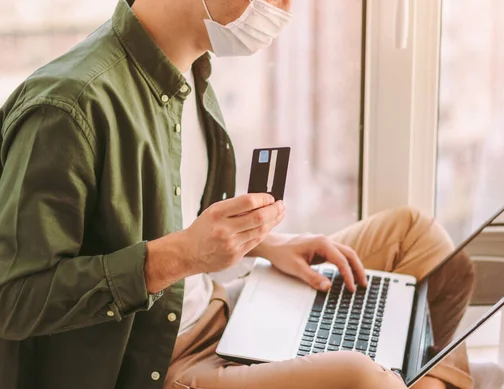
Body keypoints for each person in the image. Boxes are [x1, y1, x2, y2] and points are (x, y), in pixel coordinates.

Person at [0, 0, 474, 388]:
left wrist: (269, 246)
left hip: (219, 309)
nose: (286, 9)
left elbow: (174, 209)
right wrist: (178, 258)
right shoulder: (68, 109)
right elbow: (14, 300)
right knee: (364, 381)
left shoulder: (189, 72)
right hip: (161, 363)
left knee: (417, 237)